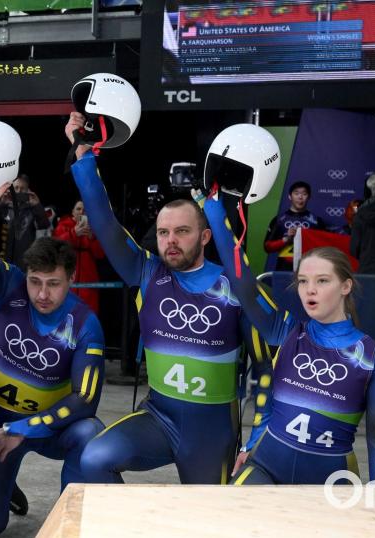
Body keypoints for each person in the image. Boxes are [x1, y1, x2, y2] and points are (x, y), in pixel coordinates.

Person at [66, 113, 268, 485]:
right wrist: (84, 157)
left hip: (212, 431)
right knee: (94, 457)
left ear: (205, 237)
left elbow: (268, 372)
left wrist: (256, 440)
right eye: (163, 232)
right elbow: (106, 224)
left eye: (182, 231)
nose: (170, 240)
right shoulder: (147, 273)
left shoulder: (236, 287)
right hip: (158, 417)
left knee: (208, 524)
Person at [204, 188, 375, 483]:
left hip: (331, 480)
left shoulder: (374, 359)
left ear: (346, 286)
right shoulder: (285, 332)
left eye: (322, 281)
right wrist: (214, 209)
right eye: (303, 281)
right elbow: (243, 283)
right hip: (266, 465)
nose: (310, 289)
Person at [0, 185, 106, 538]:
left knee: (91, 434)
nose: (41, 294)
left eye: (53, 284)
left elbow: (85, 402)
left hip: (44, 427)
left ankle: (71, 526)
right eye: (35, 281)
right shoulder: (9, 285)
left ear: (72, 280)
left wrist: (25, 428)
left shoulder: (86, 324)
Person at [52, 200, 105, 314]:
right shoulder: (63, 225)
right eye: (78, 209)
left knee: (87, 314)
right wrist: (73, 233)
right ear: (72, 212)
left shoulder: (94, 229)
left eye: (85, 210)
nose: (82, 212)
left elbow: (100, 254)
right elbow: (56, 245)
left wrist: (92, 238)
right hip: (67, 276)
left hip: (88, 280)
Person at [264, 181, 326, 271]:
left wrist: (306, 236)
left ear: (308, 197)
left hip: (309, 267)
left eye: (304, 194)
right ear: (290, 196)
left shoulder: (316, 221)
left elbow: (324, 248)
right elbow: (267, 247)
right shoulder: (279, 220)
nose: (300, 197)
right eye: (296, 193)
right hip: (284, 268)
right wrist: (286, 239)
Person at [0, 174, 51, 265]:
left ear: (28, 190)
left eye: (23, 188)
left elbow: (44, 225)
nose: (19, 191)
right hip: (3, 258)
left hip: (24, 260)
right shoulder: (4, 207)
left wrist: (37, 205)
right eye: (16, 187)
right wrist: (0, 204)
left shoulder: (32, 209)